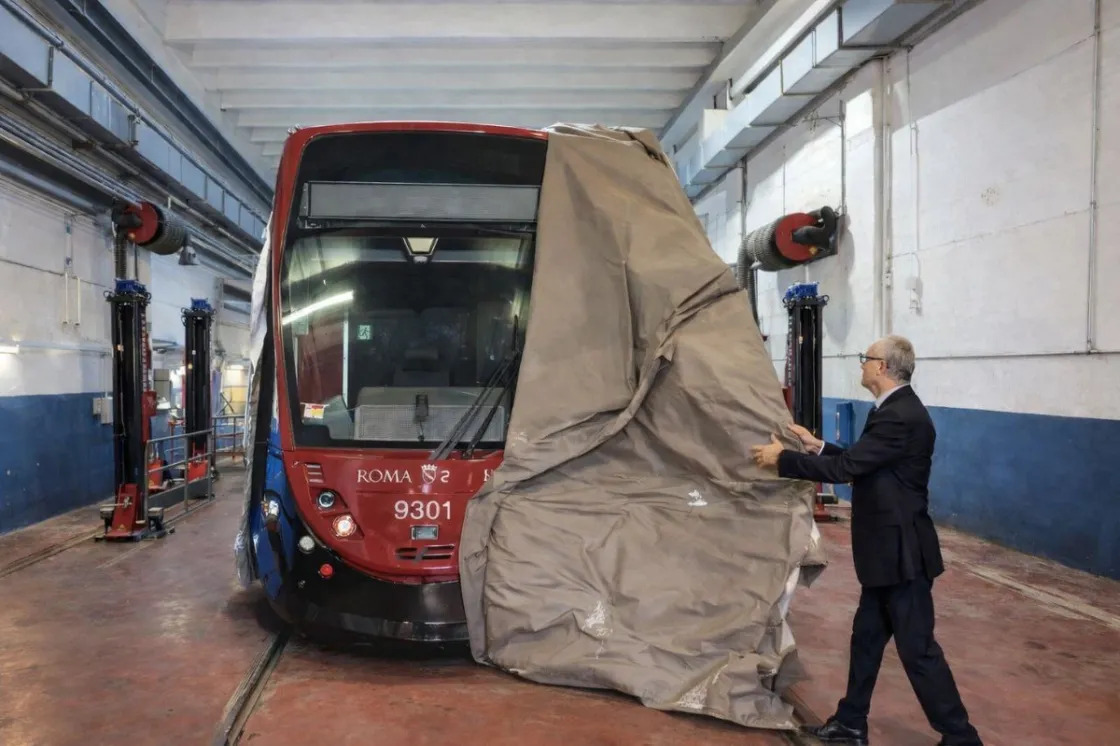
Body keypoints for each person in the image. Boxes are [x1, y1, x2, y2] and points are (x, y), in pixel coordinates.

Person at [750, 335, 982, 746]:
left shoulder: (899, 416)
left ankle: (961, 736)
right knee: (867, 640)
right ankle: (851, 723)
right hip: (888, 557)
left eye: (866, 359)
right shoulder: (895, 412)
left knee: (917, 651)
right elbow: (867, 466)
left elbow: (849, 468)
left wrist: (782, 460)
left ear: (882, 367)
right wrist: (816, 445)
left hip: (902, 556)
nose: (861, 365)